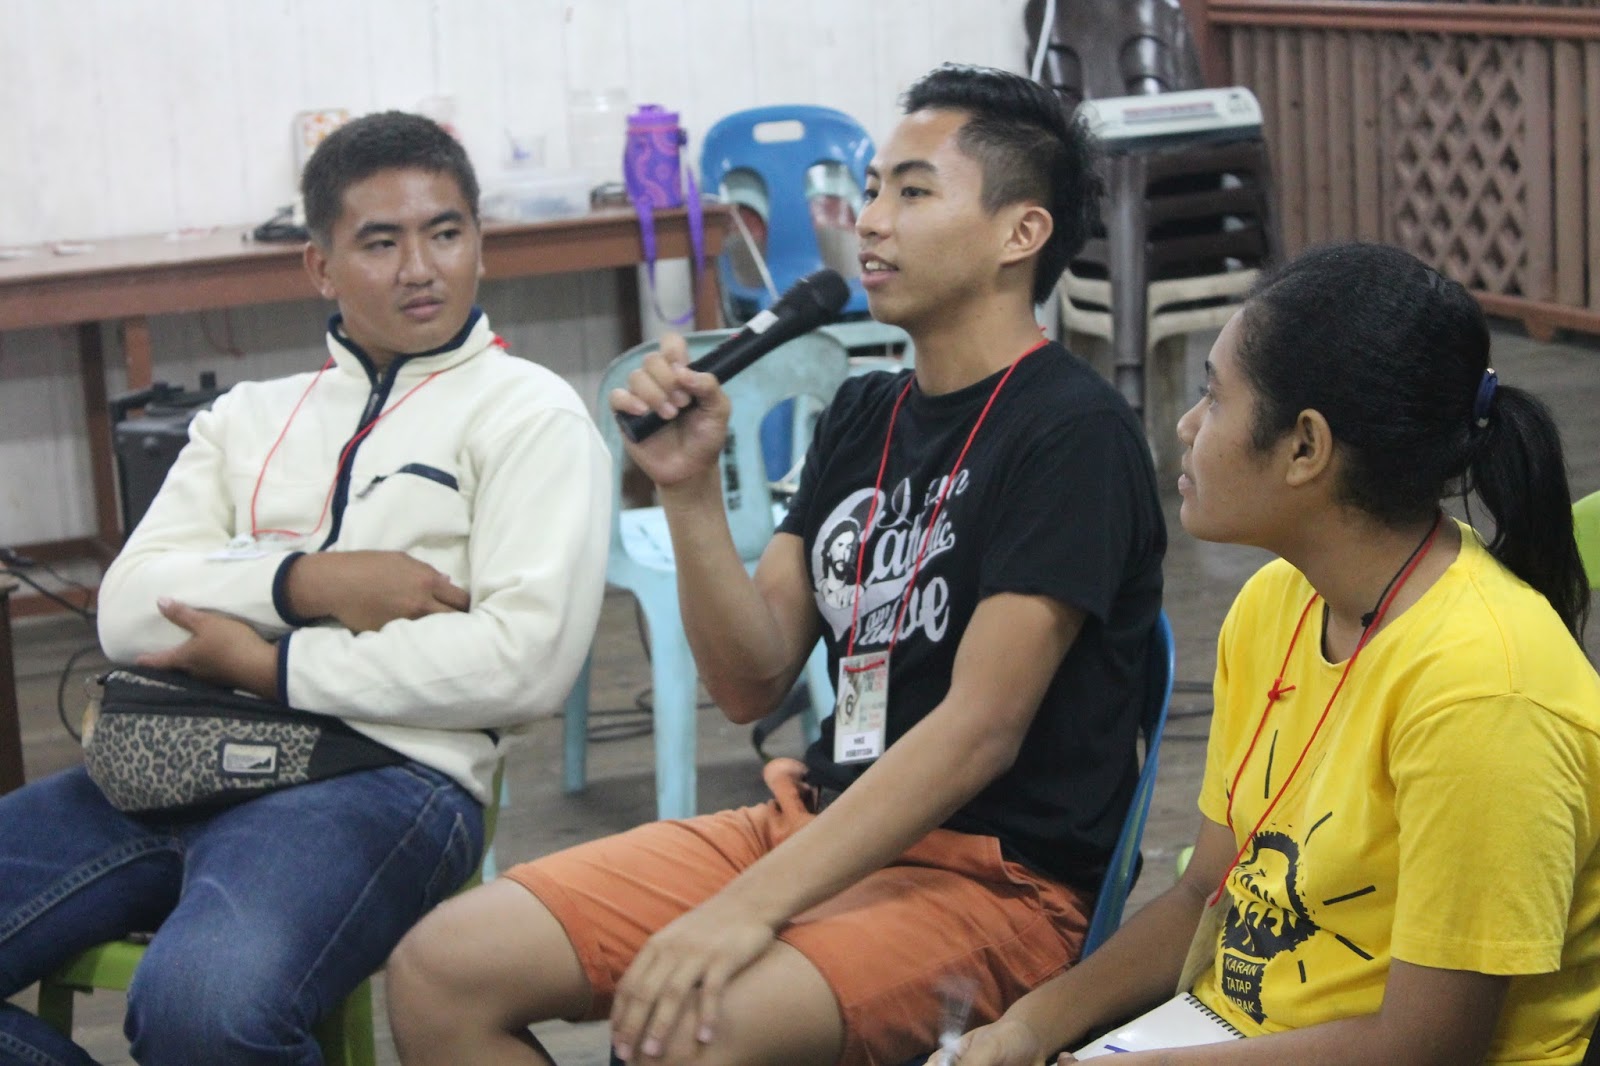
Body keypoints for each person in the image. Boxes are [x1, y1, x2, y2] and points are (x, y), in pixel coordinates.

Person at [387, 63, 1166, 1066]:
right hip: (820, 823)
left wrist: (744, 909)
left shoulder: (1072, 431)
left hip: (995, 881)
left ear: (1021, 233)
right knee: (441, 967)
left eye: (912, 192)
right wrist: (687, 489)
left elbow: (979, 730)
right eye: (872, 189)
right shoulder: (865, 413)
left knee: (684, 1029)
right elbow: (749, 680)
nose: (869, 221)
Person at [0, 110, 610, 1065]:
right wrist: (310, 581)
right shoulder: (245, 417)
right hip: (165, 759)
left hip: (377, 778)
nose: (420, 268)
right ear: (320, 267)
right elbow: (127, 606)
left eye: (446, 233)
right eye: (381, 242)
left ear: (480, 244)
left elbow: (520, 662)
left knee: (203, 1008)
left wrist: (268, 664)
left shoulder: (529, 414)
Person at [950, 242, 1600, 1065]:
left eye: (1213, 397)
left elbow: (1424, 1046)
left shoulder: (1485, 695)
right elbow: (1206, 889)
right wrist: (1030, 1024)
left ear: (1305, 448)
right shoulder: (1275, 604)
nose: (1187, 427)